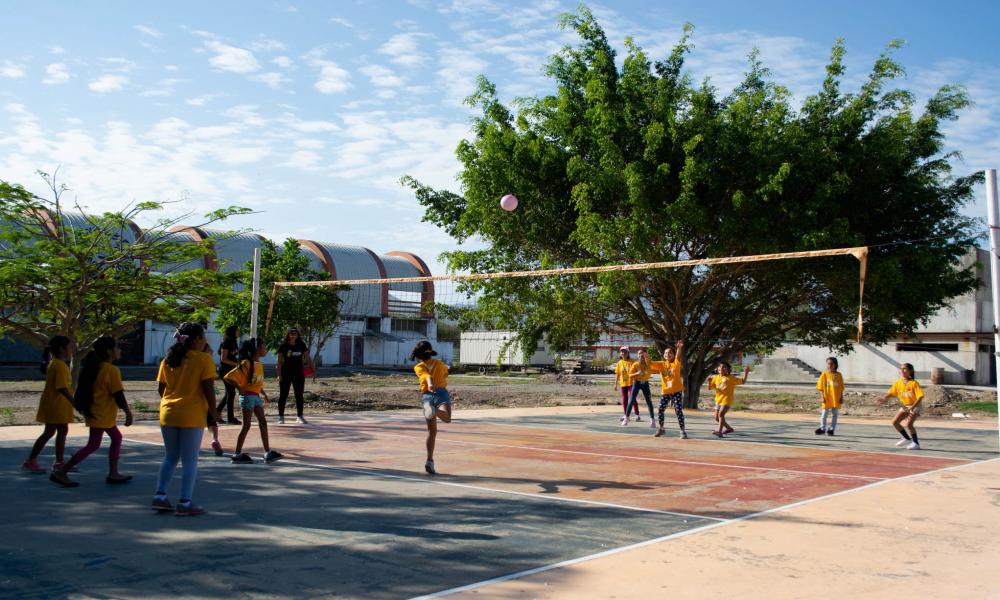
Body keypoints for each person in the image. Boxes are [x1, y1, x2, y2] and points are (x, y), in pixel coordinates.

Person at [153, 323, 218, 516]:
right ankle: (185, 502)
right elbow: (208, 388)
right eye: (203, 336)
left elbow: (161, 389)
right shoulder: (204, 359)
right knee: (190, 460)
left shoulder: (169, 359)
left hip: (168, 412)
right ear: (197, 339)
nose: (205, 340)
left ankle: (160, 496)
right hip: (191, 414)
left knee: (171, 456)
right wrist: (214, 412)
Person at [50, 336, 134, 487]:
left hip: (98, 412)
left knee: (115, 438)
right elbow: (118, 394)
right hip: (101, 414)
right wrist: (128, 412)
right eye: (117, 347)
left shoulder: (97, 367)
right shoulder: (111, 370)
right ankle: (62, 472)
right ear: (109, 351)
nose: (119, 350)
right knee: (94, 445)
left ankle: (113, 473)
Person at [23, 336, 75, 474]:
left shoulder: (57, 364)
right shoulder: (58, 365)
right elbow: (62, 387)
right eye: (69, 347)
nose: (71, 350)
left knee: (61, 430)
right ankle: (31, 461)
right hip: (55, 404)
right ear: (61, 349)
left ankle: (59, 461)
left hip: (57, 404)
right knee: (49, 432)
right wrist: (74, 402)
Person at [226, 338, 283, 464]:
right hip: (247, 397)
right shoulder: (246, 363)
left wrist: (264, 394)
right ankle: (237, 453)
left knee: (263, 423)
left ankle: (267, 452)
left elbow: (257, 383)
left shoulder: (259, 365)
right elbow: (229, 377)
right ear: (257, 349)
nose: (266, 349)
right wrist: (239, 389)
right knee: (246, 425)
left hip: (256, 397)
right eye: (264, 346)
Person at [412, 340, 451, 475]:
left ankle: (429, 461)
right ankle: (436, 411)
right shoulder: (440, 364)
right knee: (446, 418)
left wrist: (429, 385)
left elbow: (426, 375)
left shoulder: (418, 367)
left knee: (431, 432)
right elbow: (443, 374)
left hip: (427, 396)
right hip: (440, 392)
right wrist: (432, 382)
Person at [878, 363, 924, 450]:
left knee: (909, 424)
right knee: (895, 422)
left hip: (915, 405)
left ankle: (916, 443)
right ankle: (906, 438)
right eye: (901, 369)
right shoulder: (898, 383)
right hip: (905, 406)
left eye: (905, 369)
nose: (902, 370)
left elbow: (920, 396)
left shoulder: (914, 383)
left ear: (910, 371)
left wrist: (912, 407)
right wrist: (884, 398)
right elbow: (891, 393)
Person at [648, 340, 688, 439]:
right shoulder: (661, 364)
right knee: (660, 408)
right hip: (666, 391)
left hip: (676, 391)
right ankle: (661, 429)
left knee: (678, 409)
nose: (667, 354)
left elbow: (678, 356)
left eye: (670, 353)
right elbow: (650, 363)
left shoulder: (676, 363)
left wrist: (679, 348)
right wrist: (645, 356)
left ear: (673, 355)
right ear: (664, 355)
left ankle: (682, 431)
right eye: (666, 353)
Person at [276, 328, 314, 424]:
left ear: (298, 335)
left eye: (295, 333)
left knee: (299, 395)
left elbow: (308, 357)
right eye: (291, 333)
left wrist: (313, 369)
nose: (293, 335)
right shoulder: (283, 345)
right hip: (286, 373)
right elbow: (279, 362)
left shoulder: (301, 344)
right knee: (283, 395)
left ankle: (299, 416)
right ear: (288, 334)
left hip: (298, 374)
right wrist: (279, 374)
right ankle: (281, 417)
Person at [708, 362, 750, 438]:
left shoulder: (731, 378)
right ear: (718, 369)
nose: (721, 368)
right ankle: (729, 428)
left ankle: (719, 432)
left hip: (727, 400)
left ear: (728, 369)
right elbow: (710, 388)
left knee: (721, 414)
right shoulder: (715, 377)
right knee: (717, 418)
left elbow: (743, 381)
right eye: (720, 367)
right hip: (718, 400)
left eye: (724, 367)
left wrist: (746, 373)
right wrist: (709, 381)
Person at [217, 325, 241, 425]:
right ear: (233, 332)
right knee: (231, 392)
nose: (239, 332)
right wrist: (236, 364)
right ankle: (230, 418)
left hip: (231, 371)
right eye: (237, 330)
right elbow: (223, 359)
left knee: (229, 393)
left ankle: (215, 413)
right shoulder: (226, 342)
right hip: (225, 371)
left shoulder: (234, 342)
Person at [627, 348, 656, 427]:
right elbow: (629, 375)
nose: (641, 355)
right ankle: (626, 417)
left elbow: (654, 371)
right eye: (639, 354)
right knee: (632, 399)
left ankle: (652, 420)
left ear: (645, 355)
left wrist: (647, 372)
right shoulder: (635, 364)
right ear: (637, 355)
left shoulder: (649, 364)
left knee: (649, 401)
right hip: (637, 382)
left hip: (645, 383)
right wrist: (636, 373)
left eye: (643, 354)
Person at [815, 357, 844, 436]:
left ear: (835, 365)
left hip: (836, 397)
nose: (829, 365)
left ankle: (831, 429)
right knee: (824, 414)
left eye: (831, 364)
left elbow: (841, 387)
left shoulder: (839, 375)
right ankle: (822, 428)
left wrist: (841, 397)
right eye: (828, 363)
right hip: (827, 397)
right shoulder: (824, 374)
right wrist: (822, 397)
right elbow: (820, 387)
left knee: (835, 414)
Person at [613, 346, 639, 425]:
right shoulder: (619, 363)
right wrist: (615, 384)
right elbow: (617, 374)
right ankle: (626, 415)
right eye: (621, 352)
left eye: (625, 352)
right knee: (625, 399)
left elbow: (636, 372)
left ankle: (637, 414)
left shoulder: (632, 362)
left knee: (632, 398)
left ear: (628, 353)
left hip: (632, 383)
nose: (623, 353)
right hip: (623, 383)